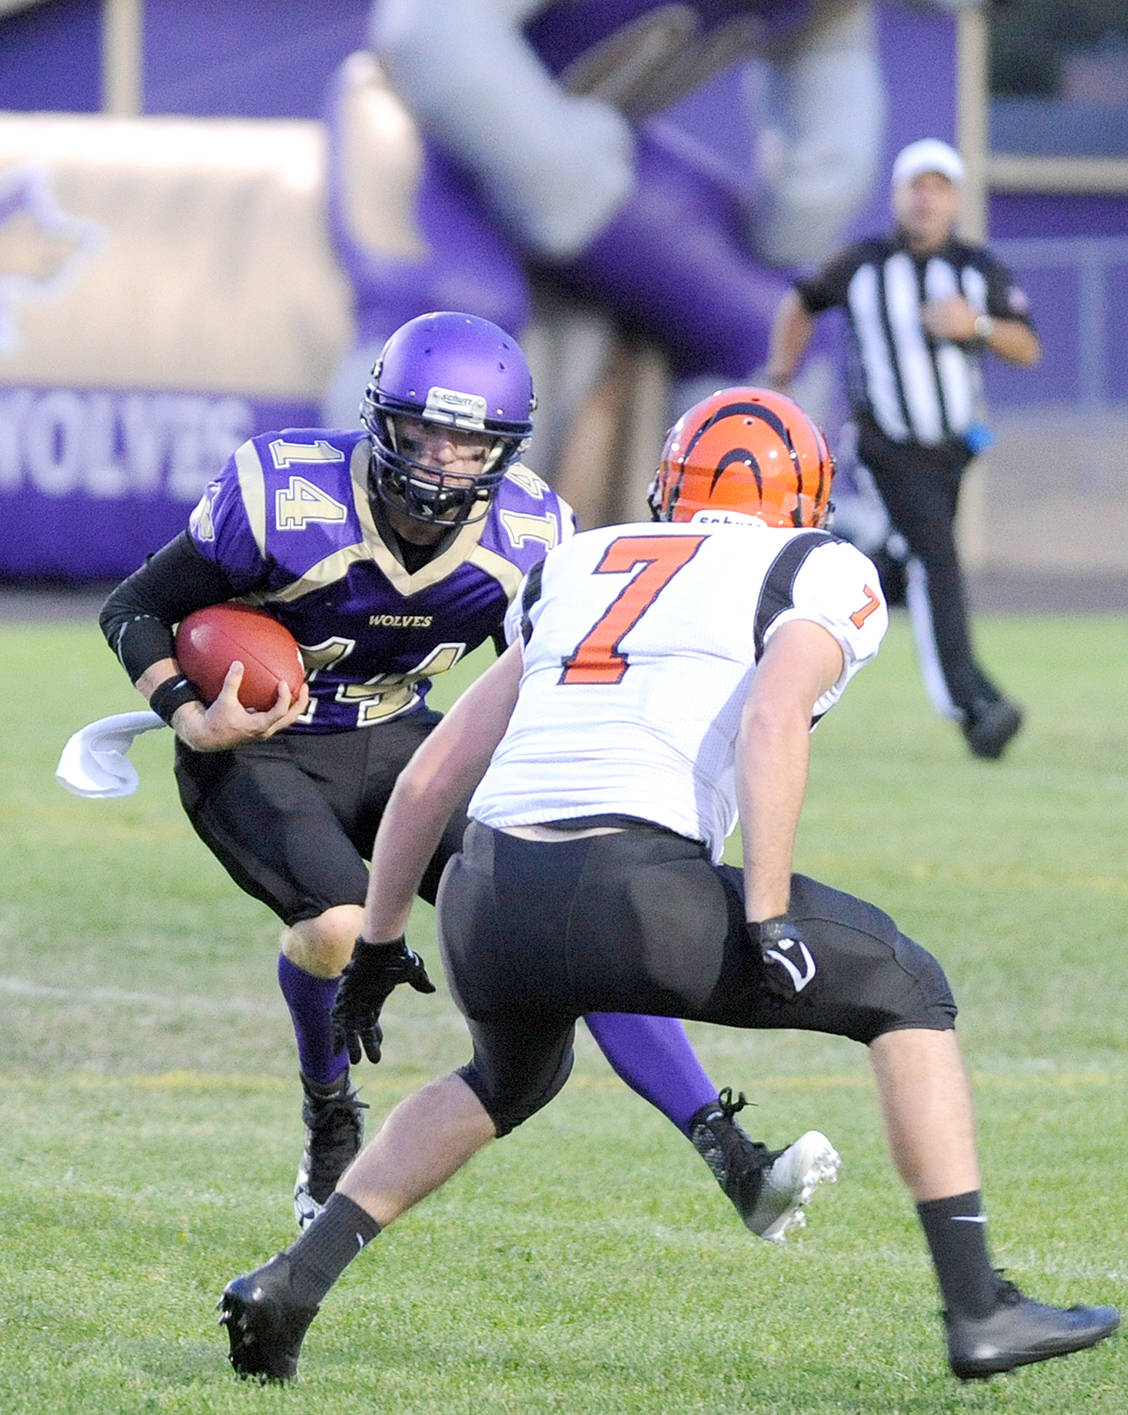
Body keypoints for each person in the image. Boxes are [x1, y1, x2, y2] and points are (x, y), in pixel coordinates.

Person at [217, 386, 1119, 1385]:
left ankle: (290, 1283)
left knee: (506, 1077)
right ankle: (978, 1306)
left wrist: (383, 942)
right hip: (639, 889)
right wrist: (767, 910)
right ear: (806, 499)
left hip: (488, 892)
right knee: (909, 989)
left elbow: (433, 775)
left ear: (670, 486)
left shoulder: (579, 561)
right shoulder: (812, 565)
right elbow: (773, 717)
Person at [98, 311, 837, 1241]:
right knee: (336, 927)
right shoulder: (283, 489)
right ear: (383, 420)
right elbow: (135, 606)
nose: (444, 459)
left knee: (569, 908)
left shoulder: (533, 532)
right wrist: (188, 713)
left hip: (399, 735)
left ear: (505, 449)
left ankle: (728, 1150)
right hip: (261, 745)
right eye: (425, 432)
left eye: (469, 441)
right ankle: (330, 1113)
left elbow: (543, 682)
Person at [322, 0, 889, 434]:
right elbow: (427, 30)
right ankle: (356, 524)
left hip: (571, 136)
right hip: (421, 116)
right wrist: (556, 168)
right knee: (450, 314)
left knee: (773, 323)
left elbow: (827, 49)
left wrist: (817, 182)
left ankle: (729, 529)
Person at [764, 137, 1041, 760]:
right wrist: (782, 377)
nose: (926, 199)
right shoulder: (862, 264)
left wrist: (978, 325)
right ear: (897, 195)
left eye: (939, 187)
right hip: (886, 444)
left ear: (956, 200)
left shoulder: (978, 270)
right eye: (917, 186)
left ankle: (804, 606)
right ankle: (973, 706)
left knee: (901, 561)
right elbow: (800, 302)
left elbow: (1028, 347)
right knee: (936, 558)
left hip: (951, 451)